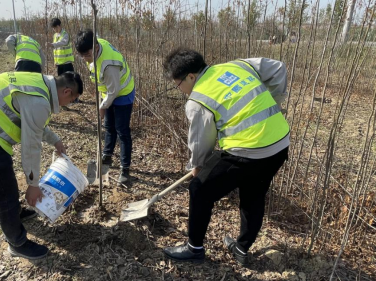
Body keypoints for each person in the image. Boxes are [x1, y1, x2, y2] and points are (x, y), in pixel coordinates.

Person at [162, 48, 290, 265]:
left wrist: (197, 166)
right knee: (254, 194)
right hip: (279, 144)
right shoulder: (236, 66)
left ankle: (194, 249)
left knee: (199, 190)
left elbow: (201, 141)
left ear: (191, 76)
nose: (180, 89)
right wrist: (275, 103)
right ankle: (241, 247)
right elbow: (278, 68)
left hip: (248, 152)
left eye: (178, 84)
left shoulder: (198, 100)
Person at [0, 71, 83, 260]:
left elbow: (33, 121)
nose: (70, 105)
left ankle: (16, 214)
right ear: (67, 92)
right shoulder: (39, 101)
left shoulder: (39, 83)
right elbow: (31, 145)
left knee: (6, 185)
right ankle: (17, 243)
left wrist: (55, 140)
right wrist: (33, 184)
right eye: (73, 100)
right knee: (4, 194)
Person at [74, 29, 135, 185]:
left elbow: (113, 91)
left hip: (123, 93)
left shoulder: (109, 64)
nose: (85, 59)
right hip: (108, 91)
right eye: (82, 56)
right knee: (109, 126)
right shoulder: (95, 44)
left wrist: (102, 107)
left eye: (87, 55)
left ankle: (125, 169)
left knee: (122, 130)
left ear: (95, 47)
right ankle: (107, 155)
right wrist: (102, 100)